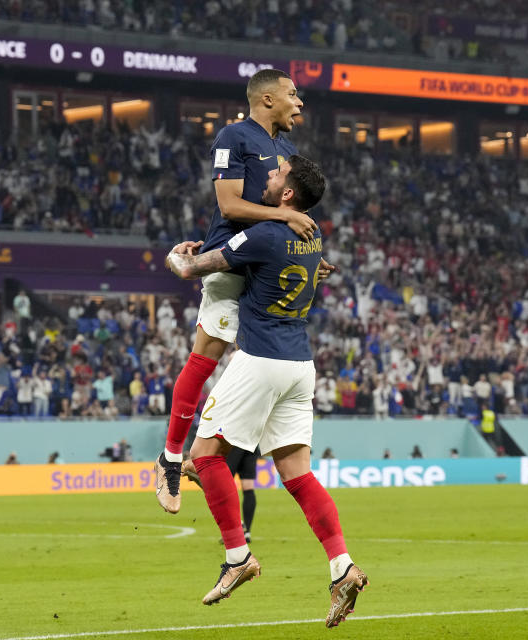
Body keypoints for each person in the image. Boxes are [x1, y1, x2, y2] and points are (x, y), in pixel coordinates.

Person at [165, 155, 367, 626]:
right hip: (301, 364)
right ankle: (341, 567)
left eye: (276, 175)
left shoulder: (264, 234)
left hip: (260, 360)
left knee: (206, 455)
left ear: (288, 194)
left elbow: (193, 268)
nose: (269, 177)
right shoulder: (311, 233)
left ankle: (238, 557)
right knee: (298, 476)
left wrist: (177, 256)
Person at [155, 68, 332, 513]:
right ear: (267, 99)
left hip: (266, 265)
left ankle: (213, 464)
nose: (300, 102)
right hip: (230, 259)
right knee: (206, 356)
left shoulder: (287, 150)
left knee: (254, 365)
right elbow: (229, 205)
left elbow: (290, 204)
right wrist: (283, 220)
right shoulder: (233, 137)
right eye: (293, 94)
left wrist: (305, 253)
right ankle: (171, 457)